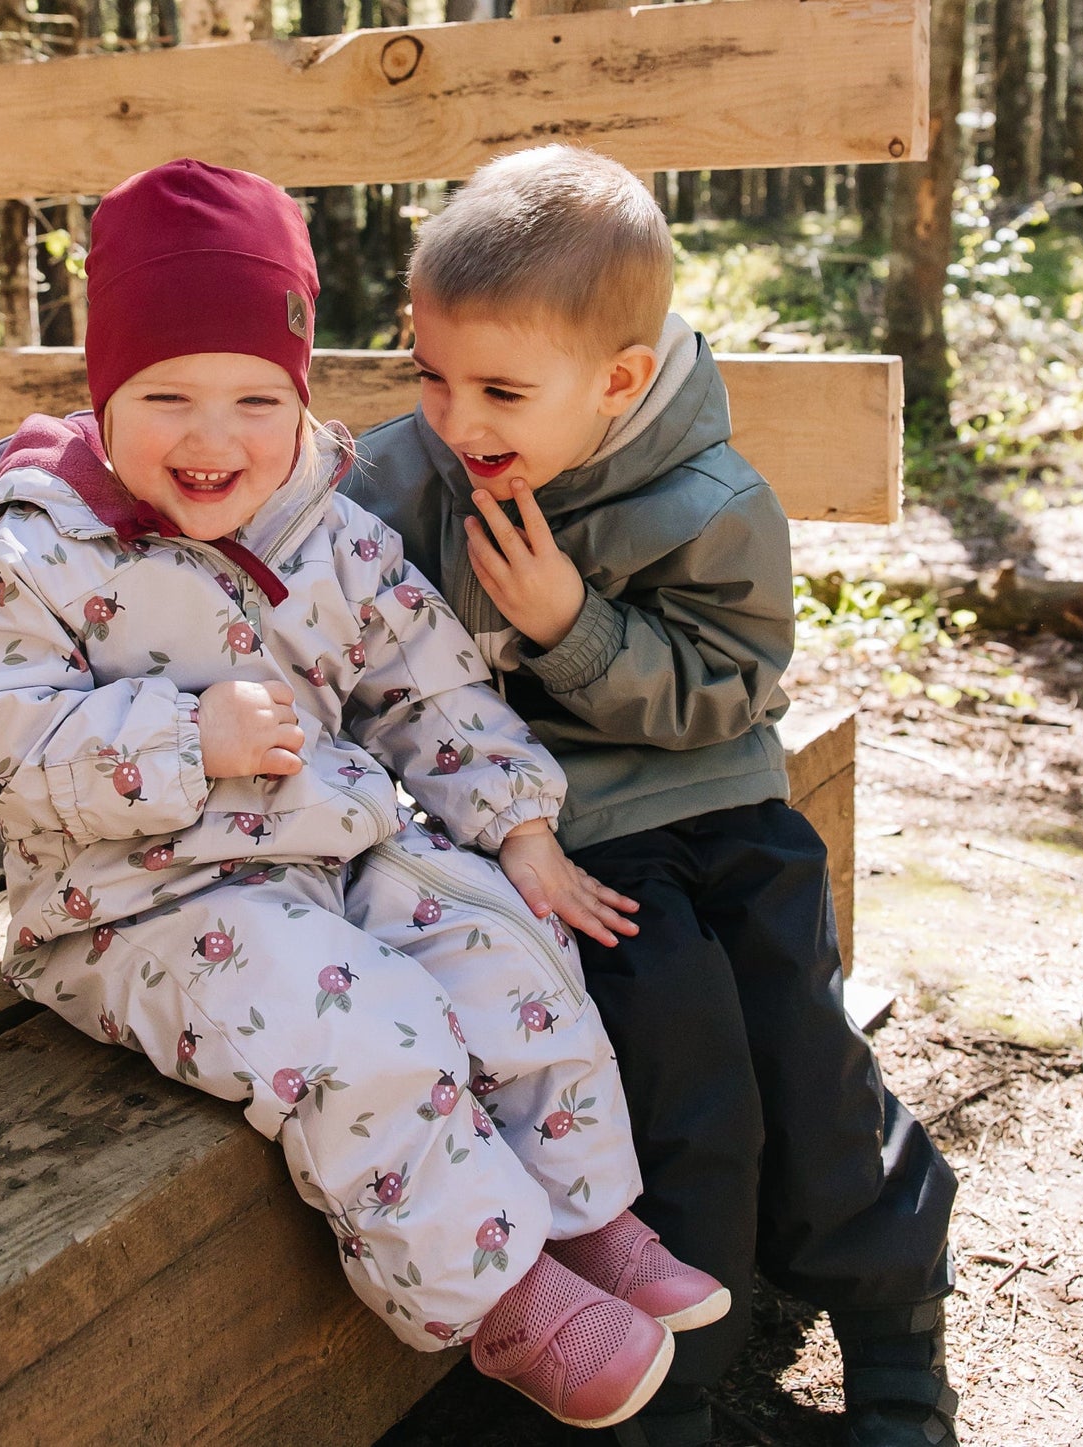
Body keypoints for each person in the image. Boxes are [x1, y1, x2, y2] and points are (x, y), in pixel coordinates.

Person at [0, 157, 734, 1432]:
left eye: (255, 397)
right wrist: (186, 734)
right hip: (137, 904)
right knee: (353, 1032)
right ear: (100, 393)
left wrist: (512, 824)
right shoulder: (32, 555)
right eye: (165, 394)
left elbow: (425, 679)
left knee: (497, 946)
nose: (214, 437)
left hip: (328, 854)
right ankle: (497, 1297)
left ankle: (583, 1214)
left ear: (297, 397)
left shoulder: (326, 528)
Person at [344, 144, 959, 1447]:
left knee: (810, 1064)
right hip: (568, 845)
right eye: (430, 373)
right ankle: (669, 1391)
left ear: (619, 379)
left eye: (500, 388)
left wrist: (570, 627)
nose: (457, 419)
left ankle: (898, 1346)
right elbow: (312, 579)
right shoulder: (415, 478)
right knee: (680, 1092)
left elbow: (730, 690)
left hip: (722, 807)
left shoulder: (711, 501)